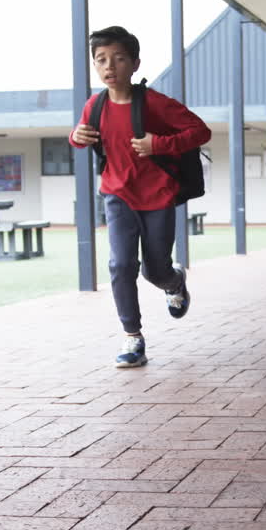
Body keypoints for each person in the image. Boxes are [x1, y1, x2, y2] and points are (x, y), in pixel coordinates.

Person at [69, 25, 211, 368]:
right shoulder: (95, 104)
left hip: (158, 195)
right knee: (120, 265)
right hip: (117, 194)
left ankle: (174, 281)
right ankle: (133, 337)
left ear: (134, 64)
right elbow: (81, 136)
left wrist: (158, 144)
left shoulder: (154, 103)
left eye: (118, 59)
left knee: (154, 270)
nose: (109, 67)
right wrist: (76, 136)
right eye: (101, 60)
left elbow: (200, 131)